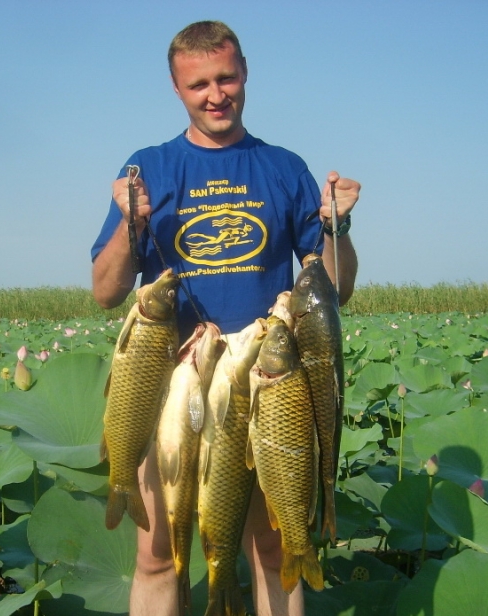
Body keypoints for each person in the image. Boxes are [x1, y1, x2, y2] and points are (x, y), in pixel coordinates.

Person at [91, 20, 360, 616]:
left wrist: (337, 226)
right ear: (177, 88)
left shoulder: (283, 167)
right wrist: (131, 226)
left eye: (226, 78)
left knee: (273, 547)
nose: (216, 95)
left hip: (267, 381)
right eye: (199, 84)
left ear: (244, 74)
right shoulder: (149, 167)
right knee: (157, 556)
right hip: (173, 379)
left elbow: (334, 288)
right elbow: (106, 292)